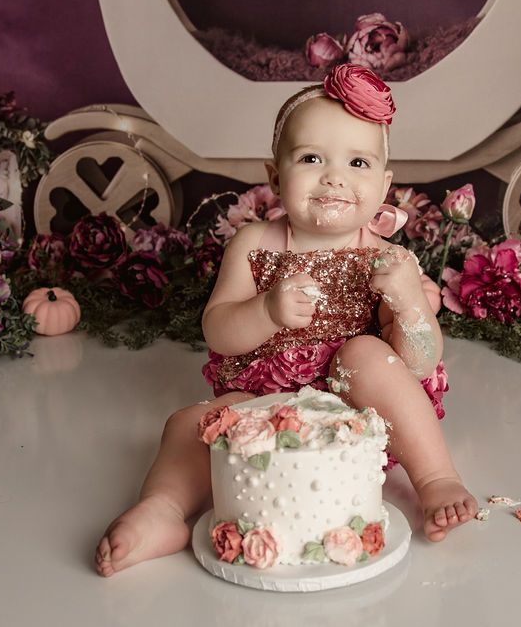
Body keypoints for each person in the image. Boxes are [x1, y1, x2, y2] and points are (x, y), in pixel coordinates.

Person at [95, 64, 478, 578]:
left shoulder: (389, 260)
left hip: (358, 411)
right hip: (265, 409)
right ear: (275, 176)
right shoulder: (253, 244)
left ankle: (435, 479)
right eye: (311, 158)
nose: (334, 176)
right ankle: (162, 509)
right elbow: (218, 330)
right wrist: (265, 311)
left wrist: (411, 305)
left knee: (366, 354)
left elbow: (420, 363)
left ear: (384, 184)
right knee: (188, 425)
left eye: (358, 161)